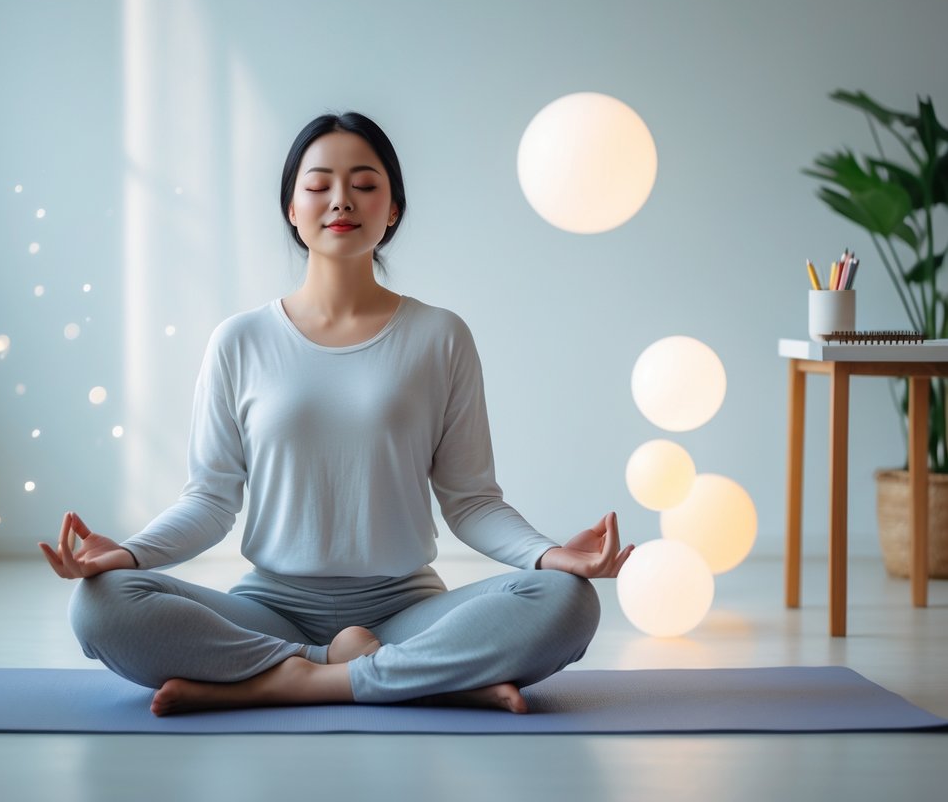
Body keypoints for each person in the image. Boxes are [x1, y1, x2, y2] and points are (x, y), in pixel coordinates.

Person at [40, 111, 632, 716]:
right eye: (318, 185)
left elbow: (471, 500)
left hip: (407, 613)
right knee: (99, 605)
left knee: (568, 600)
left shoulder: (440, 336)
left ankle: (280, 683)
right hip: (268, 610)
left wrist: (549, 556)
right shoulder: (239, 341)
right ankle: (403, 677)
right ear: (291, 209)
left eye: (365, 185)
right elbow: (211, 500)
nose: (341, 200)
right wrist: (131, 555)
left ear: (393, 208)